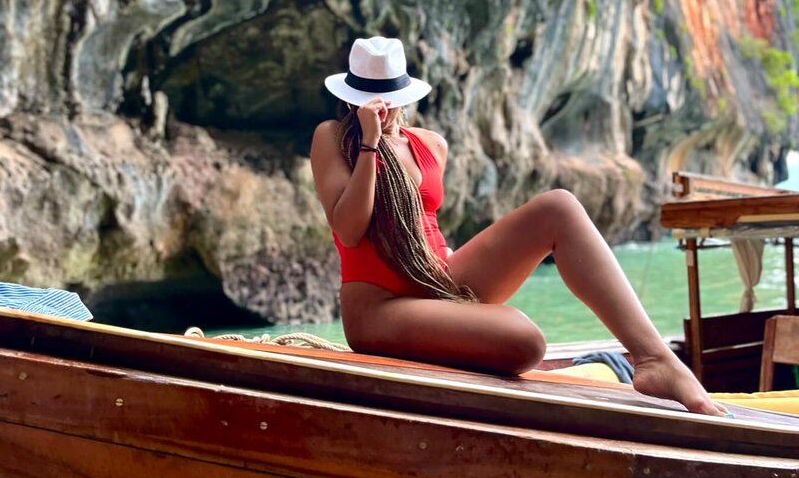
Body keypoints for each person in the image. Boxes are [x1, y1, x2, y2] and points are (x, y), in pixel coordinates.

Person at [310, 36, 725, 416]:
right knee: (526, 342)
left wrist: (444, 259)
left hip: (440, 278)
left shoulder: (430, 143)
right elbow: (349, 230)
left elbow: (419, 223)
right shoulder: (334, 137)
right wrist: (369, 144)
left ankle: (654, 359)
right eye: (370, 99)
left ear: (404, 97)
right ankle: (449, 335)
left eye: (388, 98)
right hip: (379, 309)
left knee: (559, 207)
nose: (382, 108)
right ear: (351, 100)